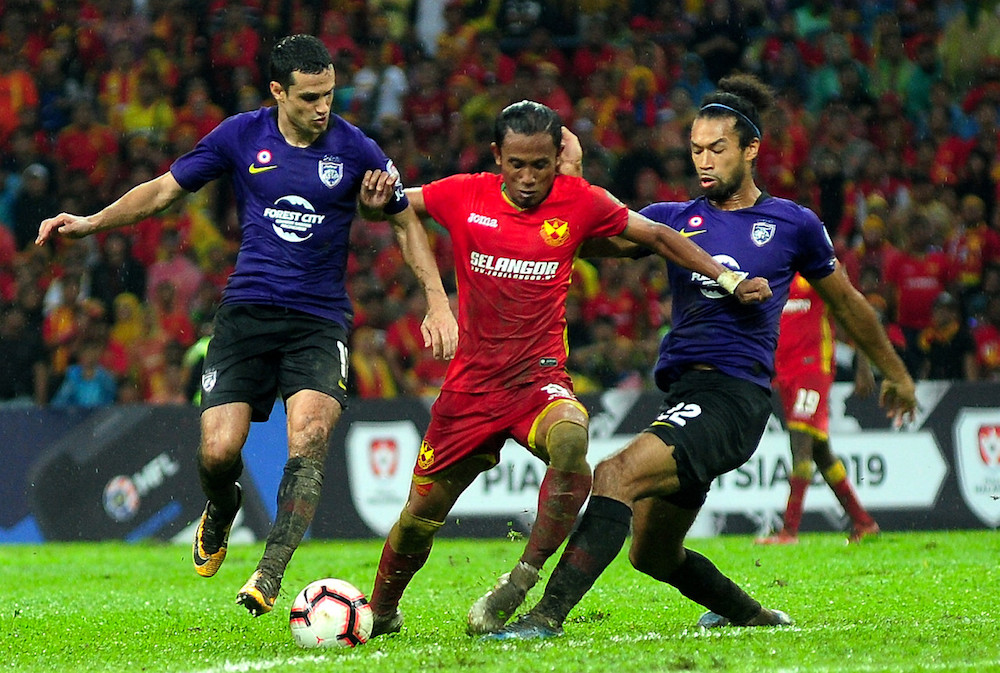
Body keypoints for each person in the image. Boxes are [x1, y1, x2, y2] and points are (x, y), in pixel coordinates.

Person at [36, 34, 458, 617]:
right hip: (246, 313)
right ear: (277, 91)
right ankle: (223, 503)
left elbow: (404, 220)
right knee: (218, 452)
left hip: (318, 321)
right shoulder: (240, 135)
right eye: (309, 97)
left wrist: (438, 302)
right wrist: (90, 222)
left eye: (329, 95)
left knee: (309, 436)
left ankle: (269, 572)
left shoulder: (356, 148)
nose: (322, 108)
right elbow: (163, 191)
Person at [492, 74, 917, 640]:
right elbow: (571, 237)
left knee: (613, 474)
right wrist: (568, 179)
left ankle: (544, 619)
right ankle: (754, 616)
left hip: (734, 399)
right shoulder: (673, 221)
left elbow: (848, 303)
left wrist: (895, 373)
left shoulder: (793, 224)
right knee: (652, 554)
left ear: (751, 148)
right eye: (696, 150)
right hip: (687, 398)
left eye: (717, 148)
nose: (704, 161)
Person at [360, 100, 771, 639]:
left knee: (572, 438)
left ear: (557, 158)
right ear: (497, 156)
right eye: (517, 165)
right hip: (470, 390)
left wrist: (726, 277)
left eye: (540, 165)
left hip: (539, 381)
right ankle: (382, 610)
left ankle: (520, 581)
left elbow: (657, 236)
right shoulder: (463, 193)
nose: (528, 178)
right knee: (418, 518)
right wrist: (377, 210)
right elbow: (395, 206)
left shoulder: (580, 200)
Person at [755, 273, 880, 546]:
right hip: (785, 374)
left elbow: (853, 311)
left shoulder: (819, 269)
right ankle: (864, 522)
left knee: (800, 446)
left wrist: (863, 365)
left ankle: (789, 531)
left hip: (812, 369)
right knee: (821, 452)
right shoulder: (776, 272)